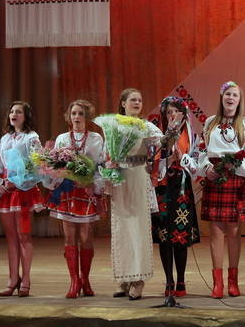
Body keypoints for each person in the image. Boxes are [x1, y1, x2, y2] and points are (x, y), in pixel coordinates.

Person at [185, 81, 245, 299]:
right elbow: (201, 149)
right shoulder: (210, 122)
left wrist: (235, 165)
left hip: (235, 176)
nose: (230, 98)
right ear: (221, 97)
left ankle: (233, 282)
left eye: (234, 95)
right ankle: (218, 283)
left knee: (233, 232)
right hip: (214, 177)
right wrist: (206, 168)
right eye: (227, 94)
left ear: (239, 100)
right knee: (216, 233)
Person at [105, 88, 162, 301]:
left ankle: (139, 280)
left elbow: (161, 141)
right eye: (133, 100)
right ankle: (124, 278)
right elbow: (106, 151)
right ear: (123, 103)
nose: (137, 103)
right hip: (120, 177)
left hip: (138, 175)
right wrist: (109, 168)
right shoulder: (113, 125)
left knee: (139, 228)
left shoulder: (145, 125)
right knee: (121, 228)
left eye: (140, 100)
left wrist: (170, 136)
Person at [45, 100, 105, 298]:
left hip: (87, 191)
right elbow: (55, 166)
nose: (77, 117)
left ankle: (85, 280)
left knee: (86, 237)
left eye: (81, 113)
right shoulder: (62, 139)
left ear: (87, 116)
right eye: (74, 114)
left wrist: (93, 185)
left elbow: (101, 165)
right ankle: (74, 282)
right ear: (69, 117)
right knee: (69, 236)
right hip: (68, 191)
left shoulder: (96, 139)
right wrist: (60, 174)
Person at [0, 101, 45, 297]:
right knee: (11, 236)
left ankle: (26, 279)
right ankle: (13, 278)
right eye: (12, 111)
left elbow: (38, 166)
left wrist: (18, 182)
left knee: (24, 235)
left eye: (19, 112)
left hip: (23, 189)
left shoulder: (32, 138)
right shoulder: (4, 139)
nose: (14, 114)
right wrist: (0, 183)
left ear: (26, 116)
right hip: (7, 190)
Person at [151, 96, 200, 297]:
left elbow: (196, 163)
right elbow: (152, 164)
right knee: (165, 236)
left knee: (180, 235)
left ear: (183, 114)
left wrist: (184, 160)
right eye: (169, 112)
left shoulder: (191, 135)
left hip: (181, 189)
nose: (172, 115)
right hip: (163, 189)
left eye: (176, 112)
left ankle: (181, 280)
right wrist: (170, 157)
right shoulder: (157, 135)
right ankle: (169, 280)